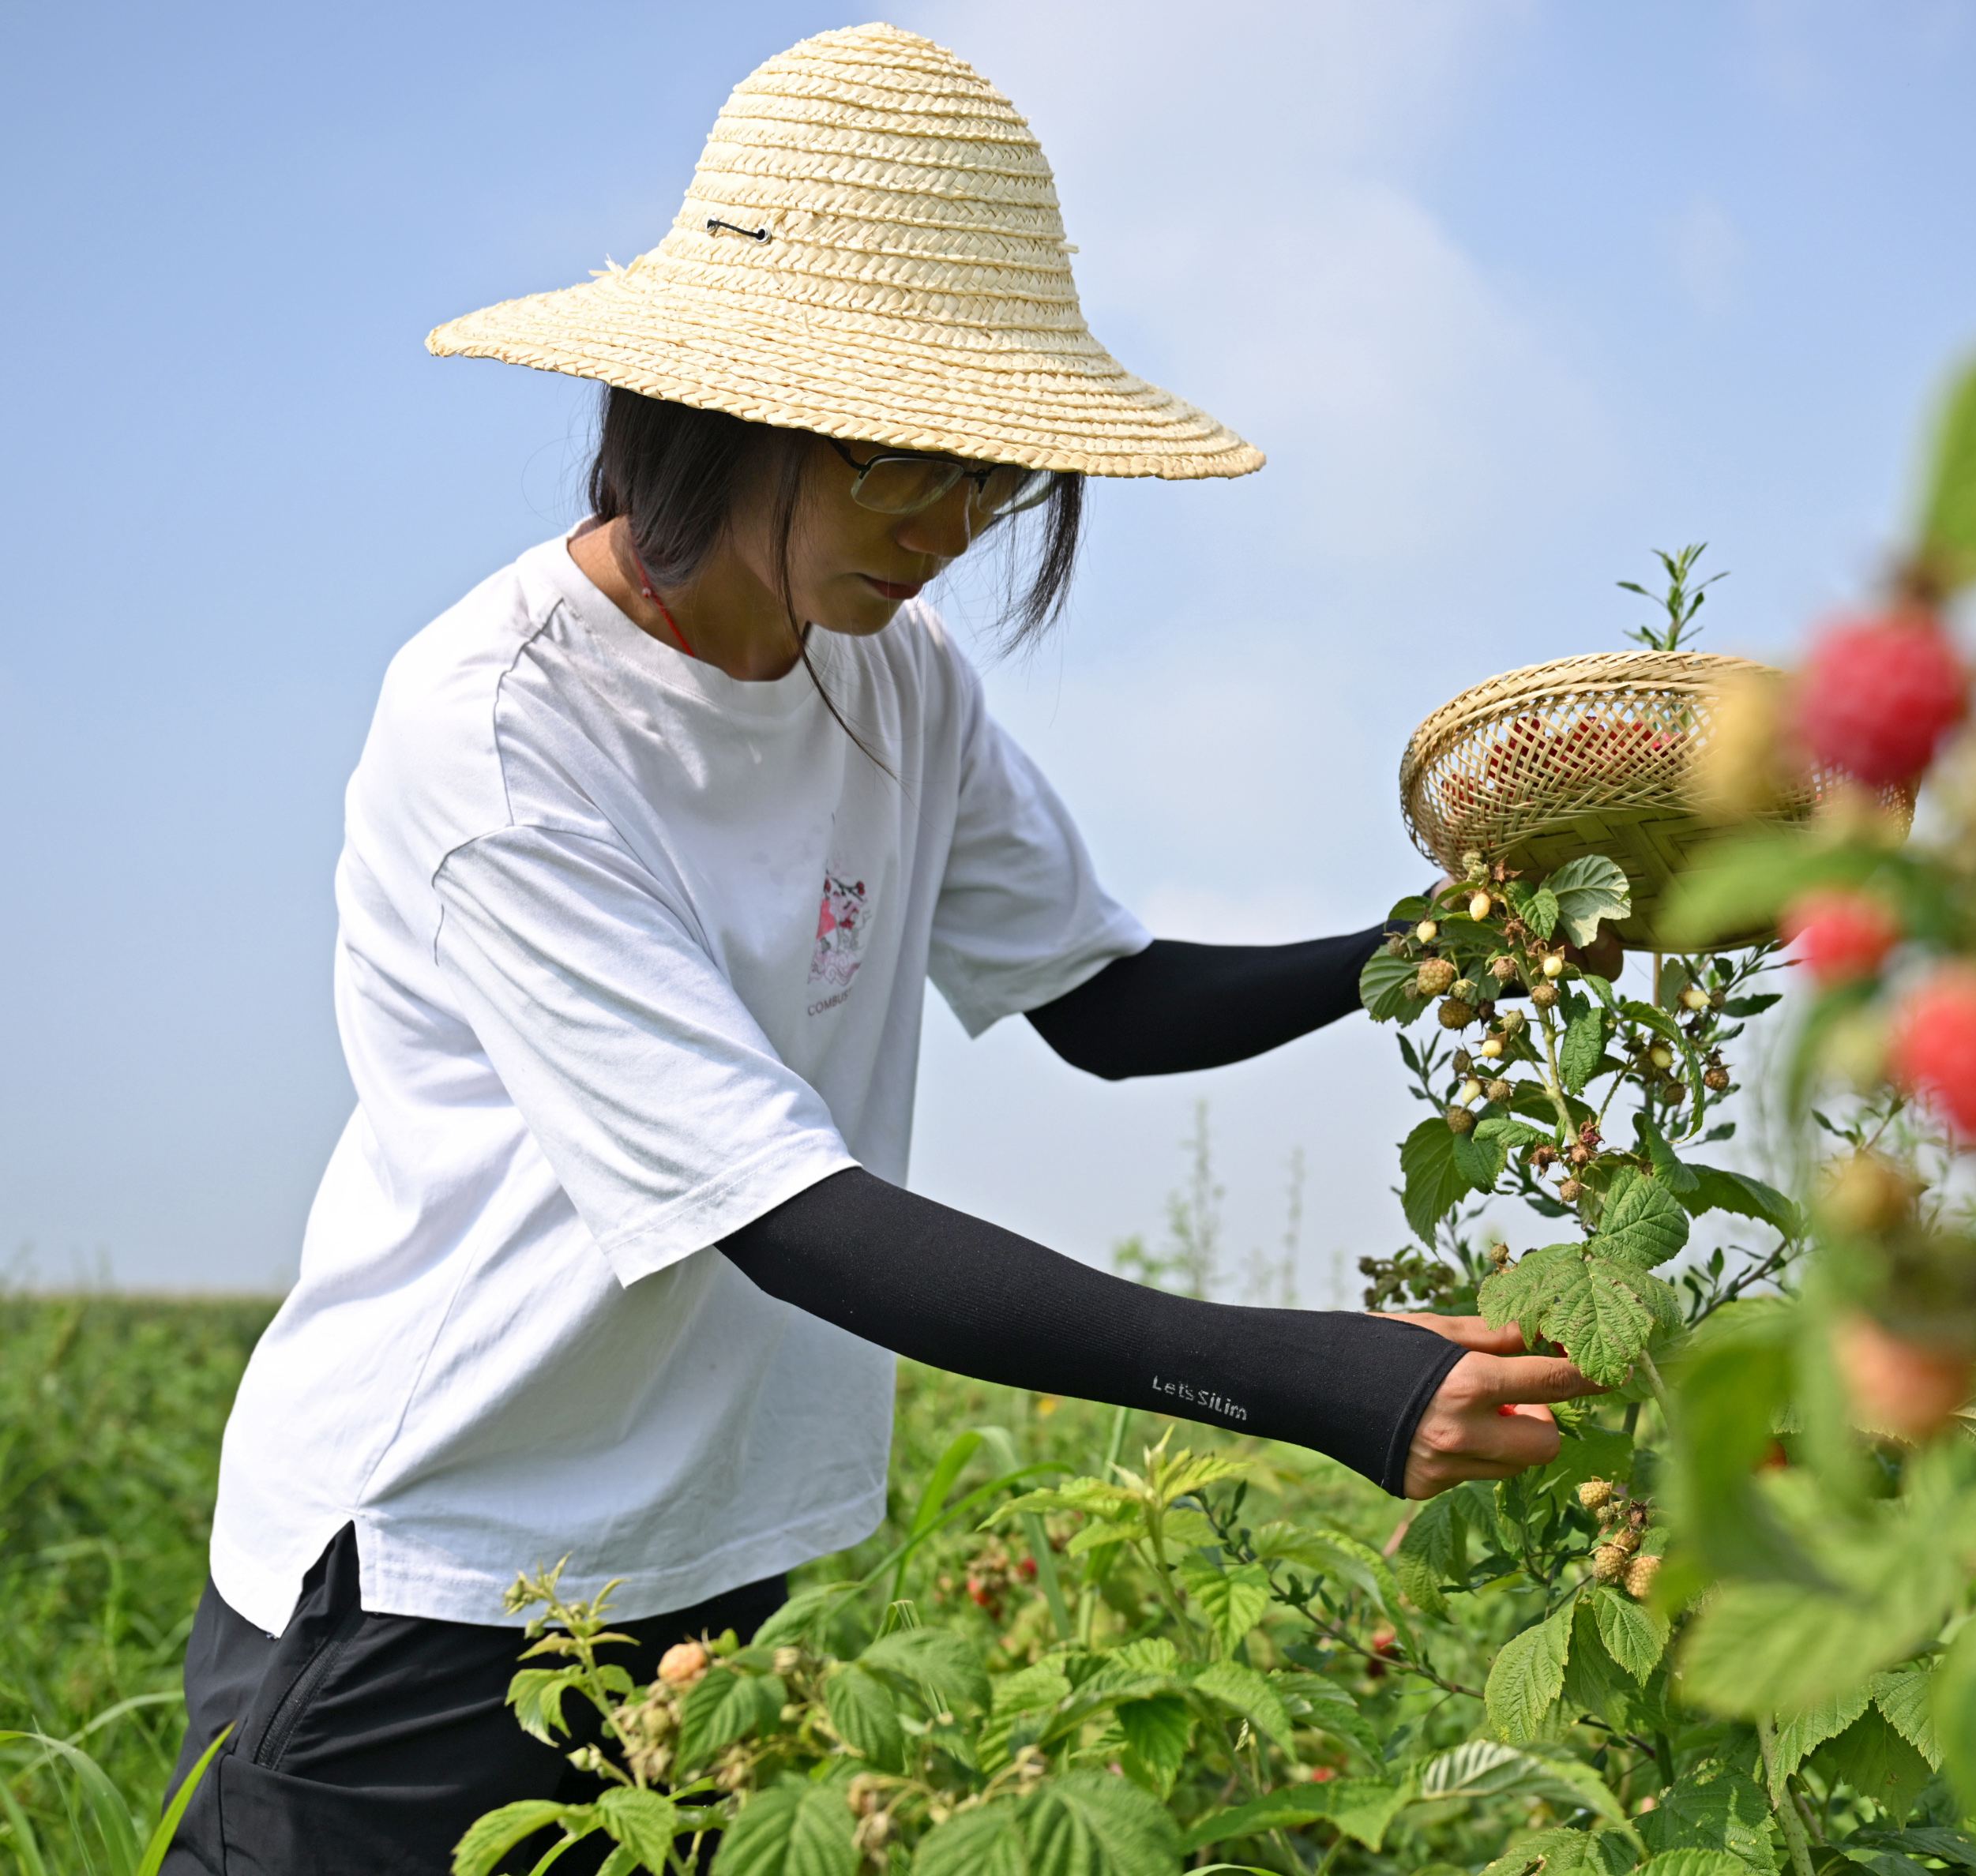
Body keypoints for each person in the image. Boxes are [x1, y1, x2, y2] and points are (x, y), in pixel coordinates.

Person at [161, 25, 1596, 1874]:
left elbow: (1106, 1003)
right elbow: (788, 1213)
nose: (947, 530)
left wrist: (1444, 943)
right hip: (428, 1588)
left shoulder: (894, 680)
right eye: (893, 466)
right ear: (720, 416)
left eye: (987, 478)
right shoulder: (505, 734)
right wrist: (1321, 1378)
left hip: (702, 1571)